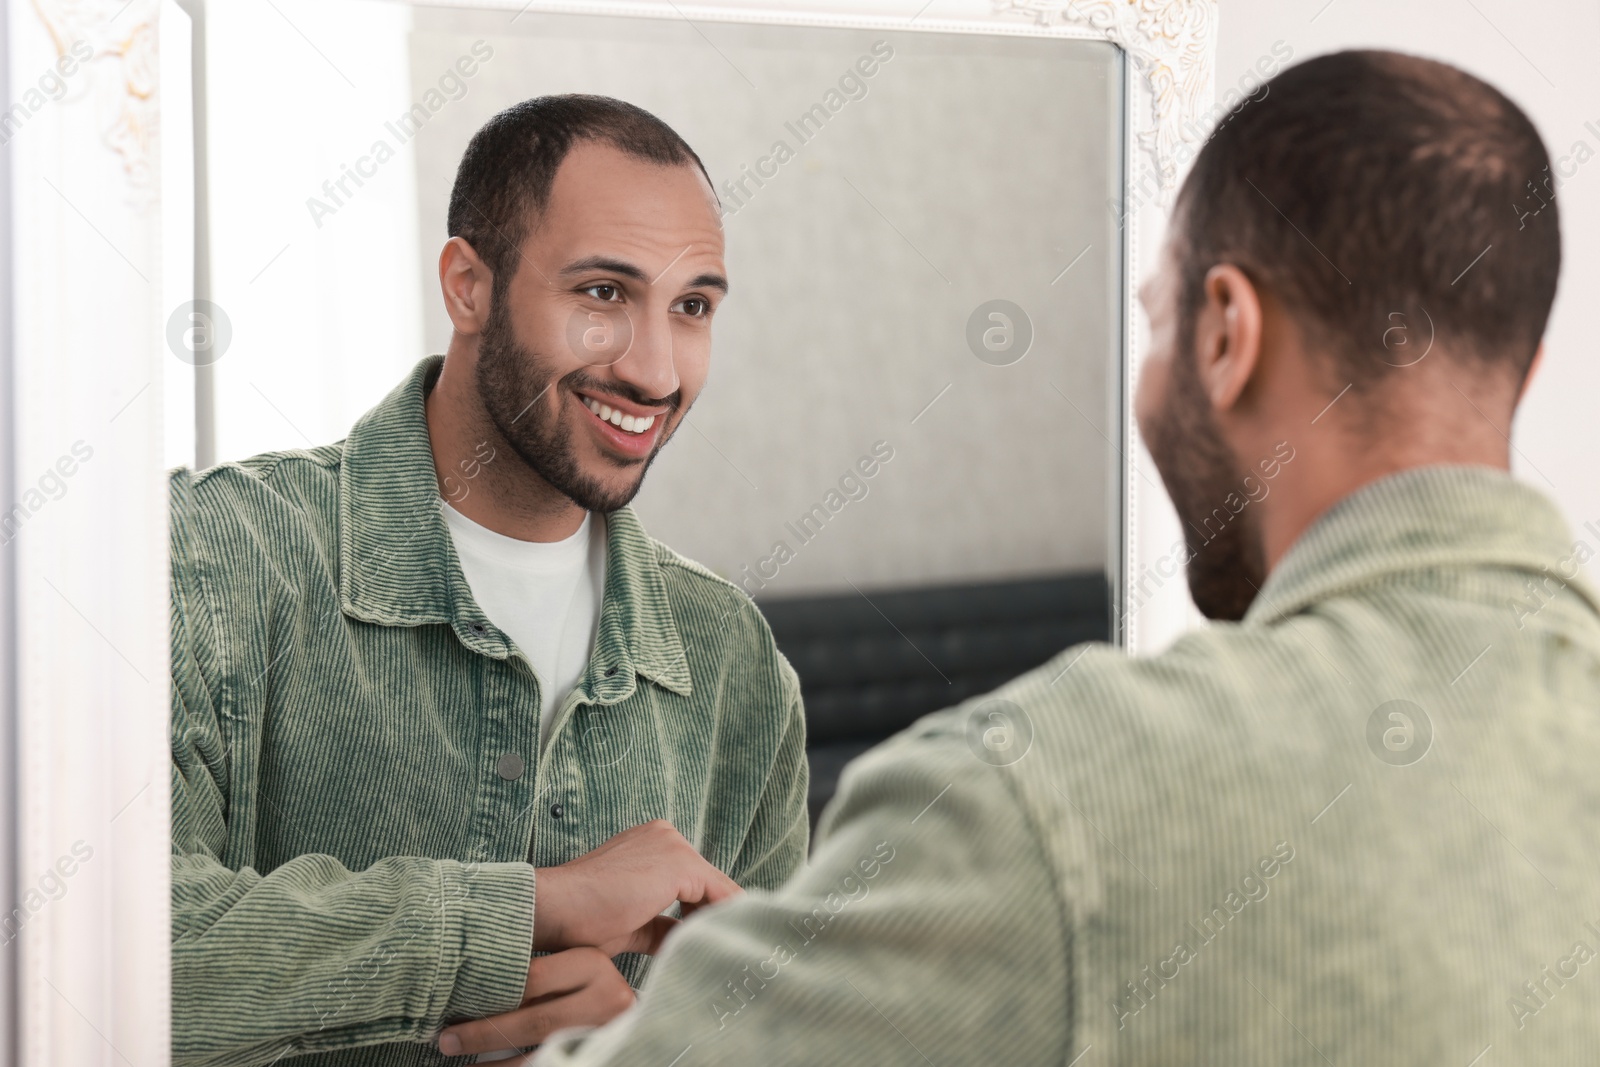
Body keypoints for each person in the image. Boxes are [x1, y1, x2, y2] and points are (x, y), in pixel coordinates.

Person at [516, 51, 1600, 1066]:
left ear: (1226, 330)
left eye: (1156, 319)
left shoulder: (1053, 793)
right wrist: (837, 964)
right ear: (1519, 362)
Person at [169, 96, 810, 1066]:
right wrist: (527, 915)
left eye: (692, 306)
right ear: (468, 286)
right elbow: (93, 958)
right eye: (602, 292)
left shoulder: (733, 660)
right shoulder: (213, 553)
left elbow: (787, 1036)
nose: (654, 367)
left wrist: (647, 1046)